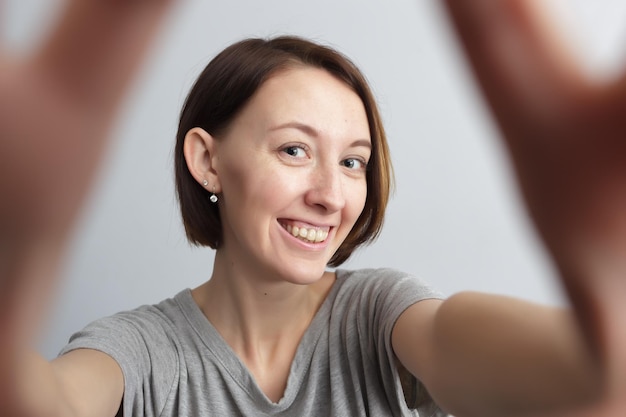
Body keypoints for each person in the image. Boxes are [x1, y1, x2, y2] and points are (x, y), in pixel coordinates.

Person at [1, 1, 625, 416]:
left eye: (353, 161)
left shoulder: (382, 318)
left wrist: (603, 274)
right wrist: (15, 245)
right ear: (207, 161)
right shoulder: (141, 353)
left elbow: (590, 383)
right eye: (295, 150)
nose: (331, 194)